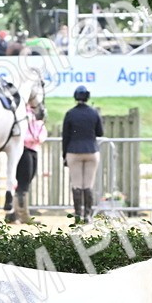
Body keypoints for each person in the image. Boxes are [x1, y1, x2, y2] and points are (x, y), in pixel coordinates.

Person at [61, 85, 104, 222]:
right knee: (88, 185)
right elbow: (100, 132)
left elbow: (65, 137)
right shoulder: (94, 112)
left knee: (77, 184)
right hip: (91, 150)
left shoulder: (70, 113)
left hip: (74, 151)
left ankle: (78, 214)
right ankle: (88, 215)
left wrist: (64, 156)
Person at [8, 106, 47, 224]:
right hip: (24, 149)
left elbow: (42, 133)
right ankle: (22, 215)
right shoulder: (21, 113)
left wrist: (37, 138)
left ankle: (14, 213)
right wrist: (32, 139)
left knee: (27, 181)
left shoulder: (36, 113)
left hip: (33, 150)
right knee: (23, 183)